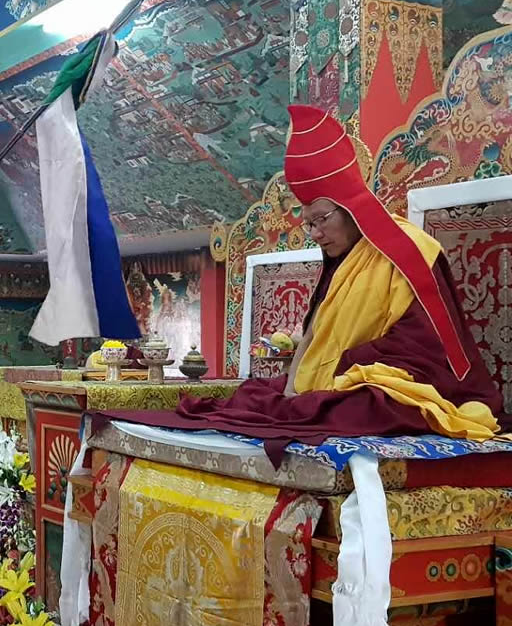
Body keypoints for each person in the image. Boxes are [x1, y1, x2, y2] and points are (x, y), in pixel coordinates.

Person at [99, 105, 506, 461]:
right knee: (255, 396)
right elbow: (318, 336)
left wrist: (348, 366)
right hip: (338, 380)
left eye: (321, 219)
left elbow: (430, 348)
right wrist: (315, 371)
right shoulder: (343, 259)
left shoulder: (411, 250)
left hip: (399, 385)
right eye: (307, 222)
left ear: (352, 208)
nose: (314, 233)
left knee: (362, 409)